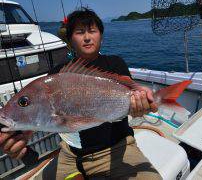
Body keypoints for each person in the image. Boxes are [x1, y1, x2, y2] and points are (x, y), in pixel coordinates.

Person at [0, 9, 162, 179]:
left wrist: (143, 103)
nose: (87, 37)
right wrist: (23, 134)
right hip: (71, 155)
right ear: (70, 39)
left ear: (101, 35)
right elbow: (43, 114)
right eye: (79, 32)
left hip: (118, 147)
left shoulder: (115, 63)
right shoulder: (57, 74)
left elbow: (134, 94)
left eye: (92, 31)